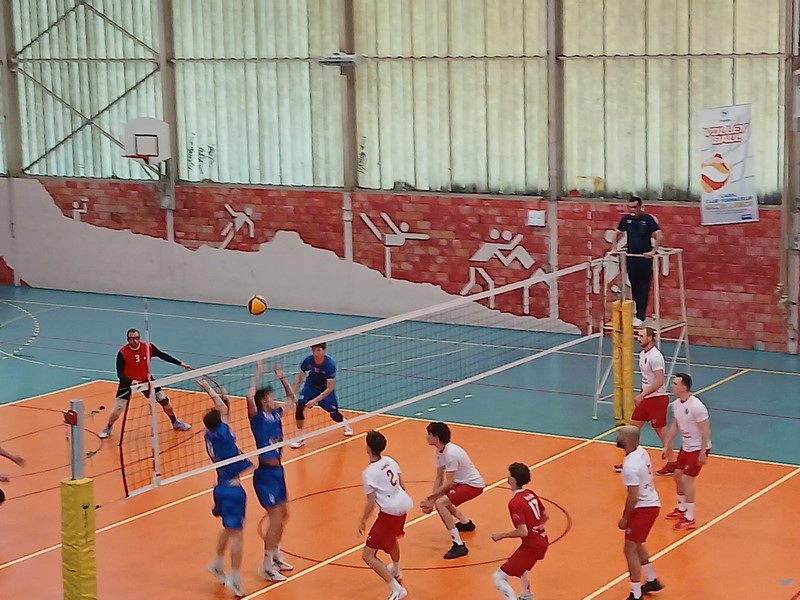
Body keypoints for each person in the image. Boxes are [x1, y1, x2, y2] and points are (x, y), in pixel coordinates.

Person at [201, 376, 253, 598]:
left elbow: (221, 408)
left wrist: (208, 388)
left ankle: (217, 563)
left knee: (229, 529)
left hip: (220, 487)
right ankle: (236, 578)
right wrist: (208, 388)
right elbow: (222, 407)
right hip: (233, 490)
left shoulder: (210, 434)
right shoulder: (224, 435)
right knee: (238, 535)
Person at [246, 361, 296, 582]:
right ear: (262, 401)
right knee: (275, 518)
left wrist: (282, 378)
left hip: (278, 473)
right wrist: (258, 374)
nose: (273, 399)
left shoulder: (276, 414)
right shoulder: (257, 418)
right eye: (269, 397)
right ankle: (266, 566)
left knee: (284, 515)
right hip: (265, 475)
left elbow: (292, 400)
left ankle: (276, 556)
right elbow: (249, 398)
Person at [99, 328, 192, 439]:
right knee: (118, 409)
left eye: (137, 338)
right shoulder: (122, 353)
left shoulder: (148, 348)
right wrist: (131, 381)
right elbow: (120, 374)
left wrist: (180, 363)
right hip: (128, 383)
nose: (135, 340)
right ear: (128, 339)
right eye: (132, 338)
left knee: (164, 401)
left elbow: (162, 355)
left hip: (146, 380)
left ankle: (175, 422)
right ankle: (108, 428)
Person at [358, 430, 413, 600]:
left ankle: (397, 589)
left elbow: (370, 503)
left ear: (368, 448)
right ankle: (396, 569)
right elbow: (402, 485)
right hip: (403, 506)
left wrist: (362, 520)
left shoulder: (369, 473)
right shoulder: (390, 461)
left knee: (368, 555)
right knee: (392, 538)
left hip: (390, 513)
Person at [614, 327, 675, 475]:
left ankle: (672, 463)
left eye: (641, 336)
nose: (638, 338)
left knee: (661, 432)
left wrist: (643, 395)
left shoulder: (656, 357)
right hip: (646, 399)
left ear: (650, 338)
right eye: (638, 335)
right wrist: (642, 395)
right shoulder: (642, 354)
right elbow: (646, 379)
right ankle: (629, 461)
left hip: (657, 399)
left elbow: (659, 381)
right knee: (632, 430)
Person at [420, 422, 485, 559]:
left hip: (472, 485)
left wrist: (432, 499)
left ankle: (459, 544)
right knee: (440, 499)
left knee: (441, 503)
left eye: (429, 434)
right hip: (461, 483)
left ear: (436, 437)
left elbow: (450, 482)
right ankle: (466, 523)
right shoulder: (439, 451)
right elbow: (439, 478)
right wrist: (432, 499)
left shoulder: (451, 454)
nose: (426, 437)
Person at [616, 425, 664, 600]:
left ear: (626, 440)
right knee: (636, 544)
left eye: (620, 435)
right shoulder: (641, 451)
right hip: (651, 502)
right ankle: (651, 579)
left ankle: (636, 594)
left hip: (644, 507)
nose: (617, 437)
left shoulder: (630, 466)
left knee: (629, 549)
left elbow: (633, 496)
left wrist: (625, 518)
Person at [490, 463, 549, 600]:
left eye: (509, 475)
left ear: (513, 480)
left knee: (498, 577)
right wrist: (538, 527)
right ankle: (527, 595)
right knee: (522, 567)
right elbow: (545, 515)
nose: (507, 477)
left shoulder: (515, 503)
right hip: (541, 540)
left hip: (532, 546)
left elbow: (523, 532)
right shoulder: (530, 494)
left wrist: (502, 535)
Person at [662, 372, 711, 531]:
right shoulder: (676, 405)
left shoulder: (697, 407)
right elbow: (675, 425)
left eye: (675, 384)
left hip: (698, 448)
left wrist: (703, 452)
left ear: (684, 387)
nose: (672, 386)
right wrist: (667, 445)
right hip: (686, 446)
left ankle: (690, 518)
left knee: (686, 479)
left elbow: (705, 430)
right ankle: (681, 508)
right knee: (677, 475)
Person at [611, 196, 663, 326]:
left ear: (640, 207)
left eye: (634, 207)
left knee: (643, 286)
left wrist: (653, 251)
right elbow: (616, 233)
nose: (632, 210)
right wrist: (614, 248)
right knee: (634, 286)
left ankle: (641, 315)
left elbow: (659, 236)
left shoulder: (647, 219)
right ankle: (635, 314)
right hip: (631, 257)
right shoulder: (626, 219)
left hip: (644, 258)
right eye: (630, 207)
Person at [290, 342, 352, 448]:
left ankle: (344, 423)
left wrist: (315, 400)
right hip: (311, 386)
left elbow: (329, 388)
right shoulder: (308, 360)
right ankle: (300, 437)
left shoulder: (329, 364)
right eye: (313, 350)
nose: (316, 353)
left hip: (325, 390)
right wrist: (293, 393)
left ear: (324, 351)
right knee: (299, 406)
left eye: (318, 350)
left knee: (334, 413)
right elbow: (300, 377)